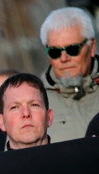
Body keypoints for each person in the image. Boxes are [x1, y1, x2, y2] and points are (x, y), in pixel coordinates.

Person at [38, 7, 99, 142]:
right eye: (54, 51)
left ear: (92, 46)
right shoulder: (35, 101)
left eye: (73, 49)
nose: (64, 58)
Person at [0, 73, 54, 150]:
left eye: (34, 105)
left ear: (49, 117)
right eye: (15, 107)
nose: (26, 113)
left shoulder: (69, 157)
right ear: (1, 122)